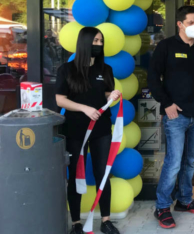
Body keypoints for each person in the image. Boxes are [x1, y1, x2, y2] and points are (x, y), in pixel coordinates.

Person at [149, 6, 194, 229]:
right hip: (175, 116)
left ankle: (185, 200)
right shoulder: (166, 46)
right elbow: (153, 78)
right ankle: (162, 207)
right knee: (173, 164)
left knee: (189, 162)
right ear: (179, 24)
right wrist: (166, 103)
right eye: (191, 22)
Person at [55, 27, 122, 234]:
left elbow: (107, 92)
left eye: (101, 41)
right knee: (76, 174)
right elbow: (60, 99)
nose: (99, 45)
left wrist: (113, 94)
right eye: (95, 41)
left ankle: (106, 220)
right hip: (75, 130)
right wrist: (85, 108)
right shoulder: (66, 69)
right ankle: (76, 223)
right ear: (84, 42)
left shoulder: (106, 69)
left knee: (102, 174)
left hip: (101, 130)